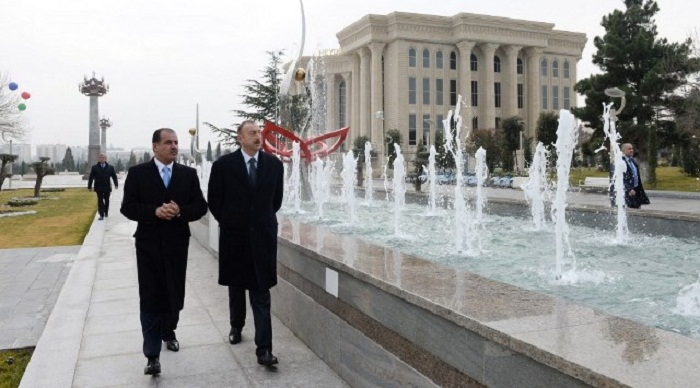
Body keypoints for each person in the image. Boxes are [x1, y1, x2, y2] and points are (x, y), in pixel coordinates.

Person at [120, 128, 208, 376]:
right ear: (155, 147)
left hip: (177, 245)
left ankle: (169, 331)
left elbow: (200, 206)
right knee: (150, 296)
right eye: (168, 142)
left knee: (174, 295)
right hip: (148, 245)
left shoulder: (188, 175)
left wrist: (180, 211)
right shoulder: (138, 174)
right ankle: (152, 355)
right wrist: (154, 212)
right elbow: (128, 207)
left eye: (176, 142)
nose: (174, 146)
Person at [207, 120, 284, 367]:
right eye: (251, 133)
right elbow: (214, 201)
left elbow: (276, 201)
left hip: (263, 237)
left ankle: (264, 350)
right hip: (235, 236)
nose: (257, 136)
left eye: (259, 133)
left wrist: (259, 221)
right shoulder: (223, 166)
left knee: (261, 292)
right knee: (236, 285)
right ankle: (236, 326)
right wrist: (232, 222)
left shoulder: (274, 165)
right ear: (239, 138)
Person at [611, 143, 650, 209]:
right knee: (629, 213)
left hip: (635, 191)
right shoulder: (619, 162)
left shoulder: (632, 160)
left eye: (632, 148)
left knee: (636, 210)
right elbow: (619, 178)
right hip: (626, 192)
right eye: (629, 149)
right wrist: (628, 189)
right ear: (623, 151)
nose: (632, 150)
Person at [87, 153, 118, 220]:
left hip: (107, 186)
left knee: (107, 200)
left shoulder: (110, 167)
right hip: (98, 187)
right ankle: (101, 214)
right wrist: (89, 186)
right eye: (100, 157)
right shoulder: (94, 167)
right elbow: (91, 177)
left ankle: (106, 212)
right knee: (100, 200)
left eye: (103, 157)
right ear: (98, 159)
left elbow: (114, 176)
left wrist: (116, 184)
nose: (101, 158)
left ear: (105, 158)